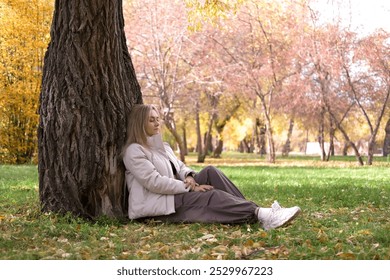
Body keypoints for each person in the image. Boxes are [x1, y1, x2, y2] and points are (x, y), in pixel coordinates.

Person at [122, 104, 301, 230]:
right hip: (158, 206)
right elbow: (154, 183)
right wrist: (191, 188)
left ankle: (259, 212)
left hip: (176, 192)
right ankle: (261, 214)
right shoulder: (134, 151)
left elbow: (181, 167)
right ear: (140, 123)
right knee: (210, 195)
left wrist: (189, 176)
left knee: (210, 172)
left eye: (157, 119)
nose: (157, 123)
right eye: (151, 120)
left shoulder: (163, 147)